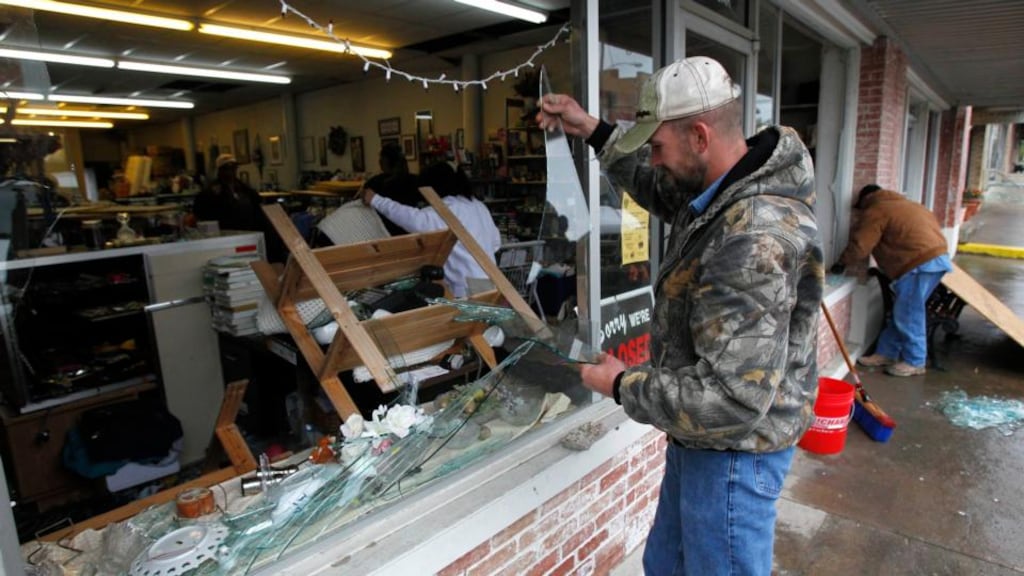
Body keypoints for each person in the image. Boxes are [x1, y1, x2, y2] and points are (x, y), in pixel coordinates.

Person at [538, 56, 823, 576]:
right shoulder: (723, 191)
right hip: (701, 441)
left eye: (658, 146)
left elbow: (732, 402)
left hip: (733, 454)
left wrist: (623, 384)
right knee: (666, 564)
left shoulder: (752, 237)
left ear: (698, 136)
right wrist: (594, 131)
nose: (654, 158)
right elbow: (658, 189)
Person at [832, 184, 953, 376]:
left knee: (909, 313)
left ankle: (915, 361)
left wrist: (841, 262)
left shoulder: (877, 209)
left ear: (865, 199)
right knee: (902, 310)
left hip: (918, 263)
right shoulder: (907, 205)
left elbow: (861, 244)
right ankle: (887, 352)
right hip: (935, 259)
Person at [361, 162, 501, 298]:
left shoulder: (446, 210)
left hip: (466, 285)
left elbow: (412, 219)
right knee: (486, 320)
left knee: (472, 320)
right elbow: (496, 243)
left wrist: (376, 200)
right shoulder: (478, 206)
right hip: (489, 279)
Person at [193, 153, 283, 261]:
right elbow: (201, 212)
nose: (231, 172)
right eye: (227, 169)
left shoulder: (242, 187)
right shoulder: (212, 191)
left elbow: (257, 200)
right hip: (229, 234)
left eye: (233, 168)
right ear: (220, 171)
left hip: (250, 230)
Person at [362, 143, 421, 235]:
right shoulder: (417, 181)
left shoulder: (375, 183)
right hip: (412, 232)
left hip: (383, 234)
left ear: (383, 162)